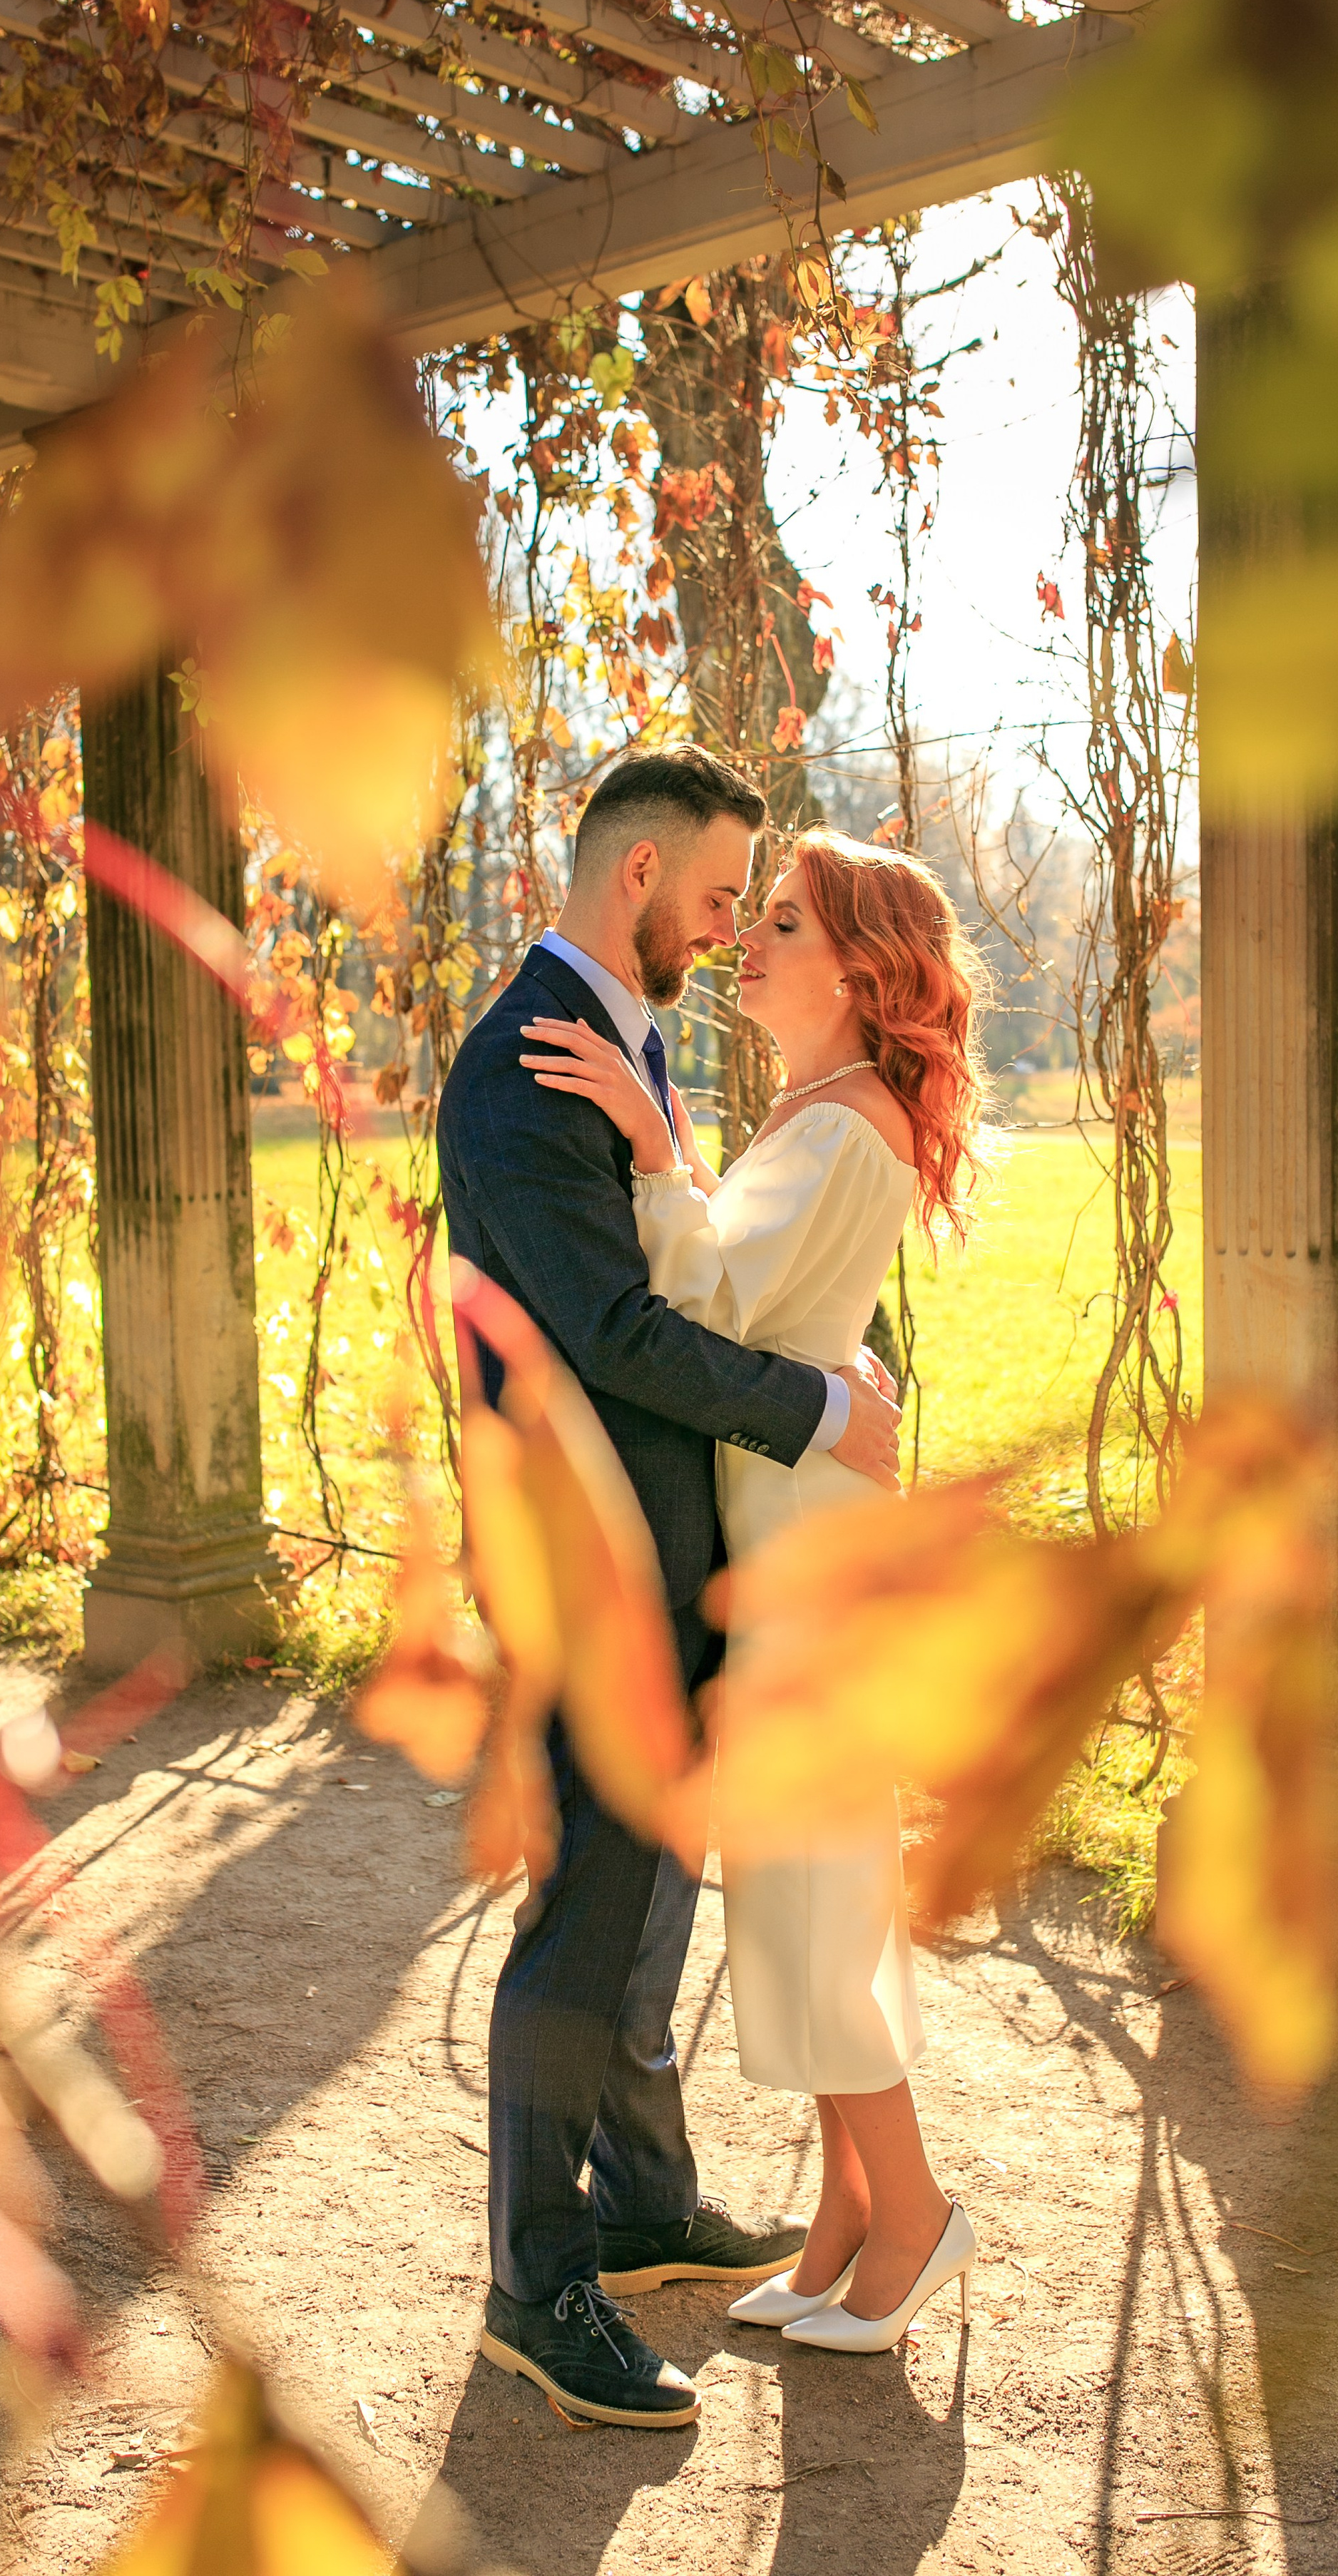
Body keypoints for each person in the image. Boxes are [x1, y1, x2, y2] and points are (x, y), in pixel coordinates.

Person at [437, 752, 905, 2429]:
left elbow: (706, 1256)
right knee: (584, 1919)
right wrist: (823, 1412)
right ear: (633, 875)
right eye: (718, 900)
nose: (724, 935)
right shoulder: (519, 1073)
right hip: (586, 1561)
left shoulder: (618, 1041)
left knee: (651, 1897)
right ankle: (531, 2282)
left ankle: (636, 2208)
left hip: (670, 1554)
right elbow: (619, 1336)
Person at [519, 823, 989, 2358]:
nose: (750, 944)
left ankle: (910, 2217)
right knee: (806, 1888)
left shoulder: (841, 1124)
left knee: (806, 1892)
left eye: (780, 923)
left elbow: (706, 1297)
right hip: (794, 1525)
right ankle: (847, 2219)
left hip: (799, 1552)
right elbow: (778, 1305)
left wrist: (655, 1155)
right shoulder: (832, 1111)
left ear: (857, 972)